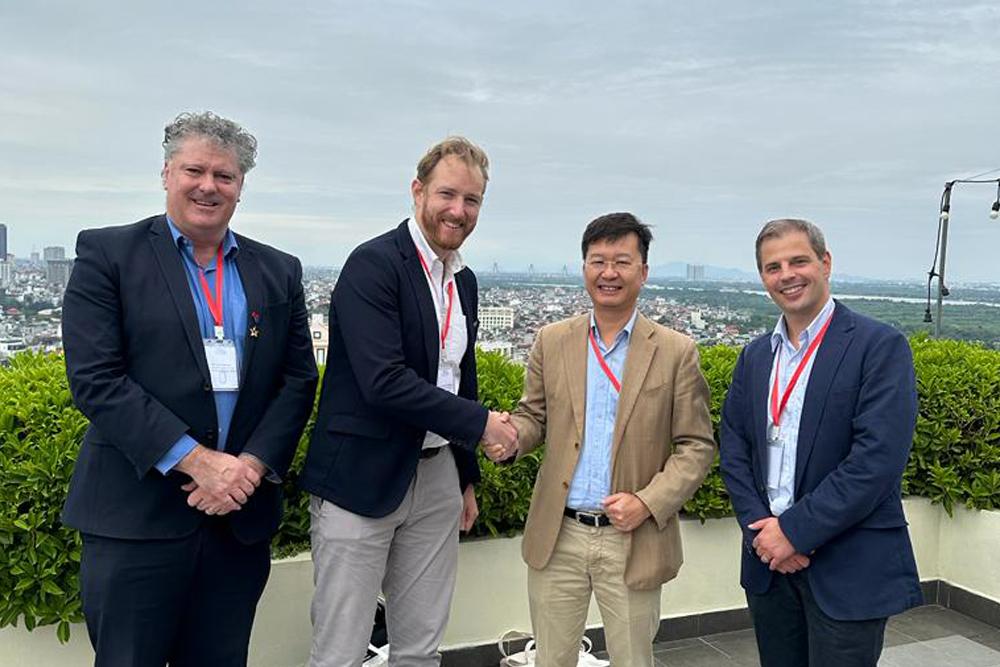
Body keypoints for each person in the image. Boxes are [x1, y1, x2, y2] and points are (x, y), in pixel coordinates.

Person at [61, 111, 319, 666]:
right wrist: (198, 461)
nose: (208, 186)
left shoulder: (278, 270)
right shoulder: (109, 255)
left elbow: (299, 379)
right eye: (194, 170)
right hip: (135, 521)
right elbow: (96, 380)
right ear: (166, 173)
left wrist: (247, 468)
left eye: (224, 176)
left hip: (237, 523)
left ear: (241, 186)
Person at [299, 136, 517, 666]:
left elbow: (458, 378)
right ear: (417, 191)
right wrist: (485, 424)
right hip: (361, 477)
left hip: (438, 475)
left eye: (472, 201)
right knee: (341, 651)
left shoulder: (461, 281)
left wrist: (465, 476)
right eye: (447, 194)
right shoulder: (374, 264)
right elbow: (384, 382)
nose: (458, 210)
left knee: (421, 645)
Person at [486, 212, 716, 667]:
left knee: (633, 659)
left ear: (643, 272)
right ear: (584, 267)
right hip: (560, 532)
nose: (608, 272)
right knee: (551, 659)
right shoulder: (552, 340)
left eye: (622, 261)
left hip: (633, 537)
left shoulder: (674, 351)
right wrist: (511, 440)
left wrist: (648, 502)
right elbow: (535, 417)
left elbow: (696, 445)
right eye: (597, 261)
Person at [718, 218, 922, 667]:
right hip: (768, 563)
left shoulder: (879, 346)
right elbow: (733, 448)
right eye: (773, 267)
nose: (786, 275)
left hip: (848, 565)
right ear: (763, 278)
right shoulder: (755, 356)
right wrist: (764, 533)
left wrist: (793, 532)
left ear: (825, 263)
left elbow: (875, 463)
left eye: (798, 261)